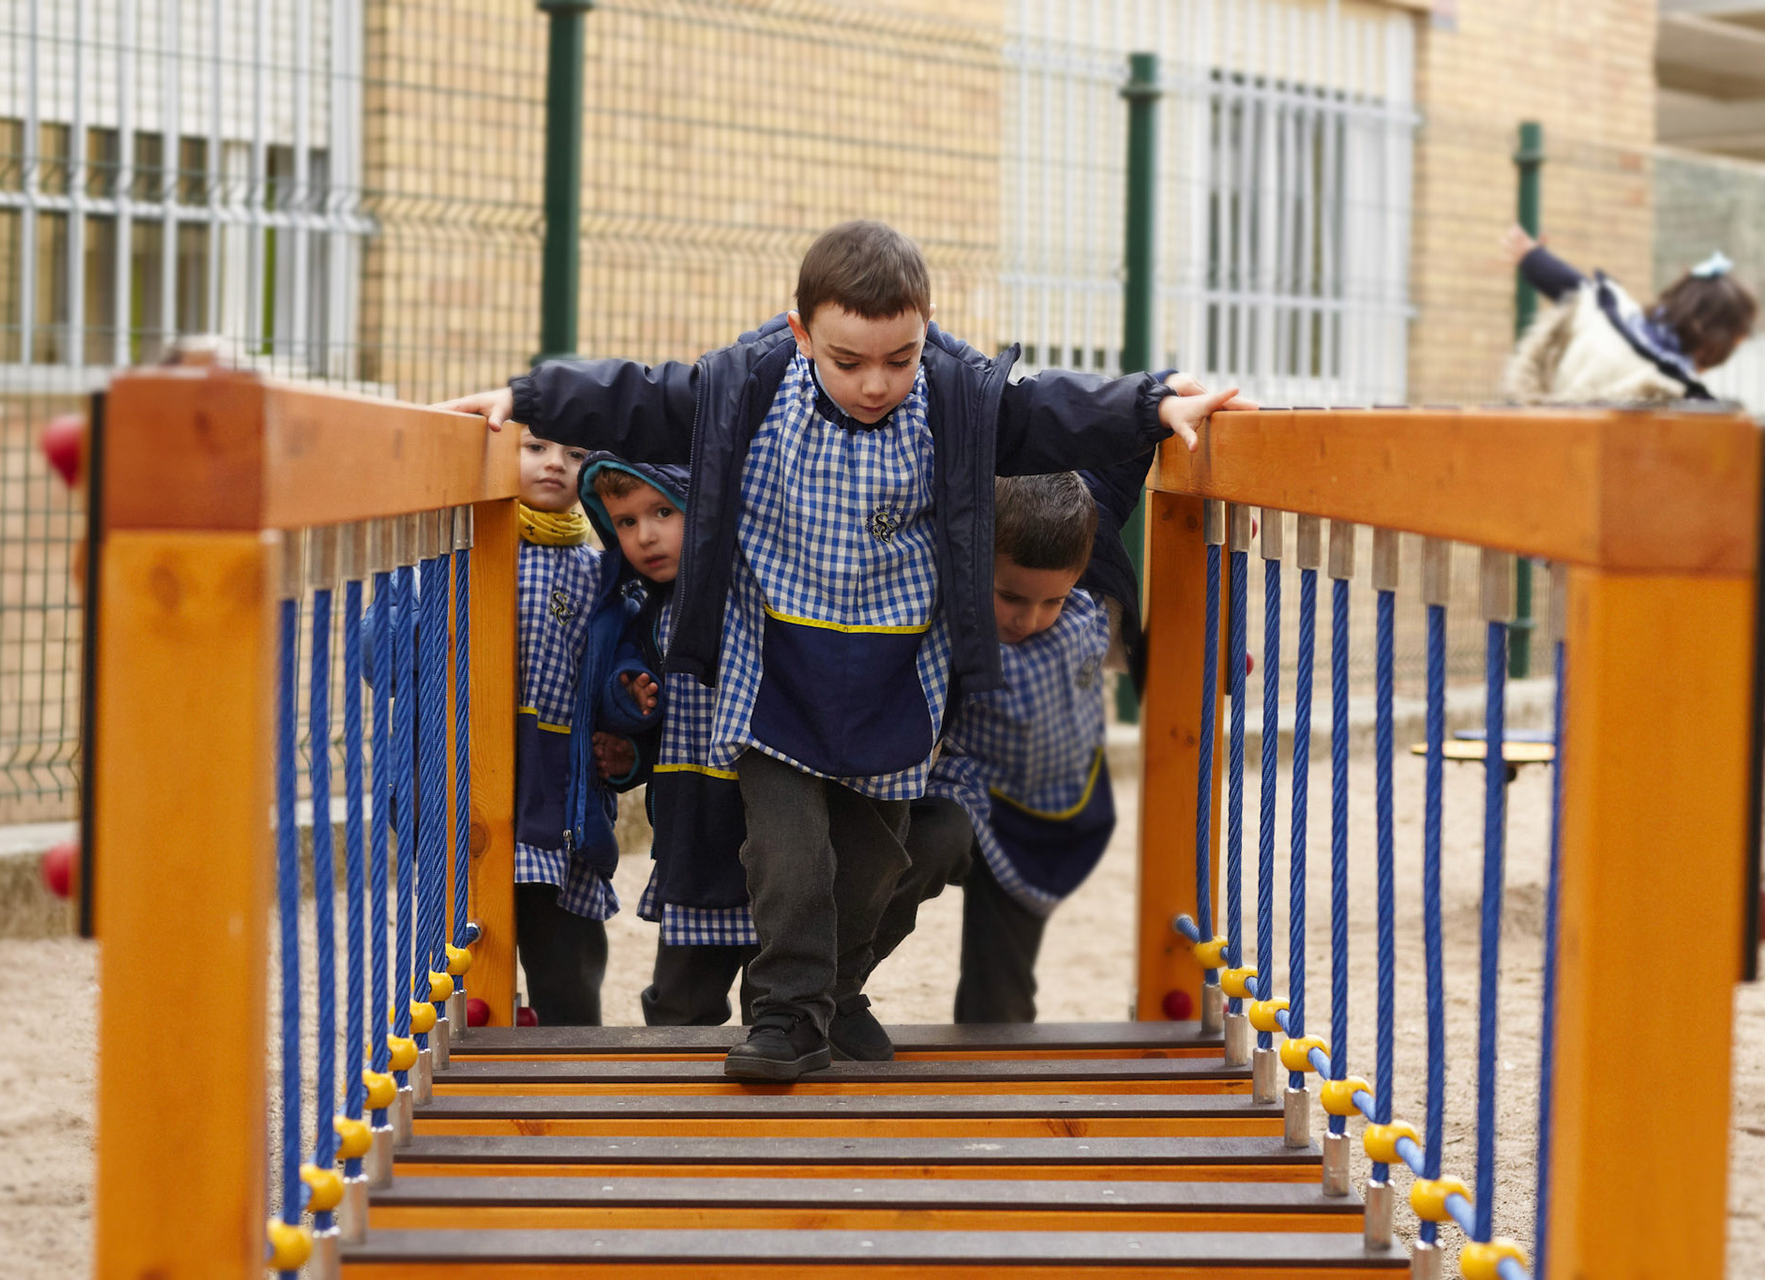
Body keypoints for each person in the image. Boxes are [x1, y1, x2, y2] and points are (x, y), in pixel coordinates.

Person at [436, 220, 1242, 1081]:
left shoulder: (955, 401)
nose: (875, 383)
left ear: (926, 328)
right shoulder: (748, 388)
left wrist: (1153, 405)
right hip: (774, 676)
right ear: (801, 333)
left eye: (900, 357)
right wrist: (530, 398)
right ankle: (786, 1018)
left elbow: (1049, 410)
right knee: (788, 858)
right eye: (848, 360)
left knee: (869, 868)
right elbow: (642, 396)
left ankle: (835, 993)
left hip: (896, 684)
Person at [864, 466, 1143, 1023]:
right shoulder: (947, 604)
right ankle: (827, 984)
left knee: (1003, 980)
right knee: (914, 853)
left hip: (1039, 814)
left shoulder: (1089, 605)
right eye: (1011, 596)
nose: (1029, 618)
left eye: (1051, 600)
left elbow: (1123, 474)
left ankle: (995, 1051)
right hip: (959, 786)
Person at [575, 454, 765, 1027]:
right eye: (626, 522)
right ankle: (679, 1087)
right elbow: (664, 728)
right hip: (693, 835)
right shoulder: (647, 614)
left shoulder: (749, 588)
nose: (645, 536)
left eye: (662, 512)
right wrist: (632, 750)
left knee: (779, 1001)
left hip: (769, 822)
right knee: (679, 1004)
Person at [507, 426, 618, 1026]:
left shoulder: (600, 572)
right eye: (536, 448)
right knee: (466, 946)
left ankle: (572, 1053)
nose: (555, 463)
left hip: (560, 792)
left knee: (566, 953)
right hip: (473, 778)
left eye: (575, 453)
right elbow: (382, 661)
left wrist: (626, 712)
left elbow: (617, 672)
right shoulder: (459, 551)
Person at [1502, 225, 1757, 404]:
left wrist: (1533, 258)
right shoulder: (1673, 389)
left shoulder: (1609, 311)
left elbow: (1574, 286)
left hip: (1546, 422)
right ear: (1712, 338)